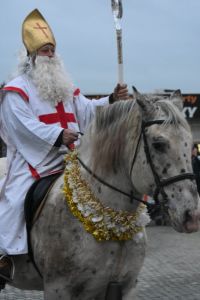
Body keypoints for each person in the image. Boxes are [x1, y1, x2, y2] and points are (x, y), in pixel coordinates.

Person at [0, 8, 129, 281]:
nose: (50, 55)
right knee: (14, 202)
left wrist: (111, 100)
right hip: (34, 162)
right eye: (44, 50)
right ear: (31, 56)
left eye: (52, 50)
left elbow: (88, 111)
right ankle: (6, 258)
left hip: (72, 159)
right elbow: (21, 125)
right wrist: (58, 135)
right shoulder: (17, 89)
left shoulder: (66, 87)